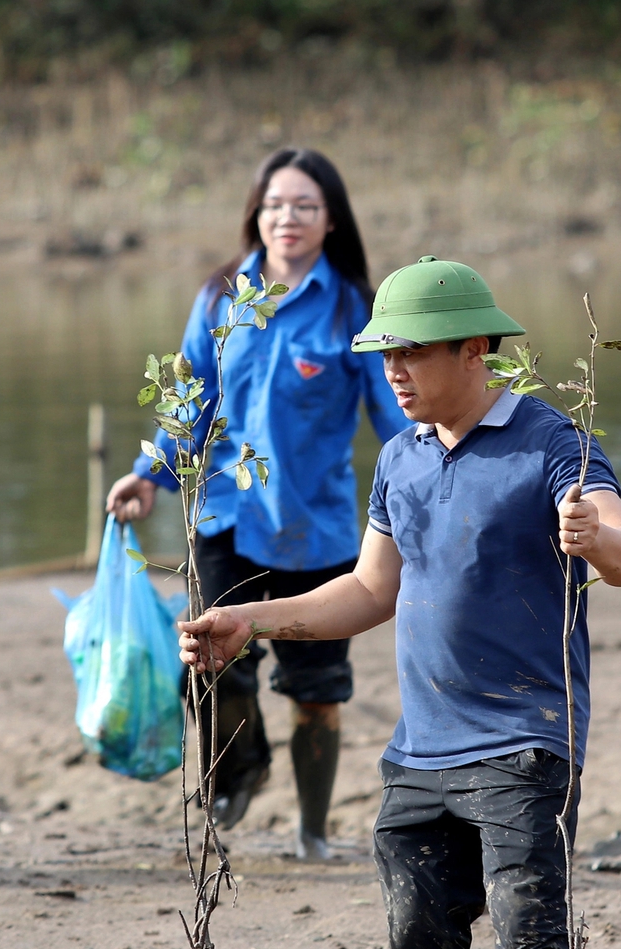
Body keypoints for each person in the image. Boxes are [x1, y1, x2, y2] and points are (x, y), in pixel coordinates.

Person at [178, 258, 621, 949]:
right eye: (384, 354)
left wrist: (594, 535)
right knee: (415, 945)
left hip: (524, 742)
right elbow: (367, 592)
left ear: (476, 349)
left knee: (531, 944)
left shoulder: (552, 445)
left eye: (413, 353)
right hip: (422, 753)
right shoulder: (399, 458)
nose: (393, 371)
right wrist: (252, 619)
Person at [106, 148, 408, 860]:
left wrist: (443, 476)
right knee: (208, 655)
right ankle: (242, 767)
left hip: (320, 526)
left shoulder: (351, 308)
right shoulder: (221, 296)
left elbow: (393, 413)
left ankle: (311, 833)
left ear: (331, 220)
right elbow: (191, 396)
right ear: (255, 213)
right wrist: (149, 472)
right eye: (275, 205)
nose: (288, 218)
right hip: (225, 514)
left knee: (319, 689)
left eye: (304, 206)